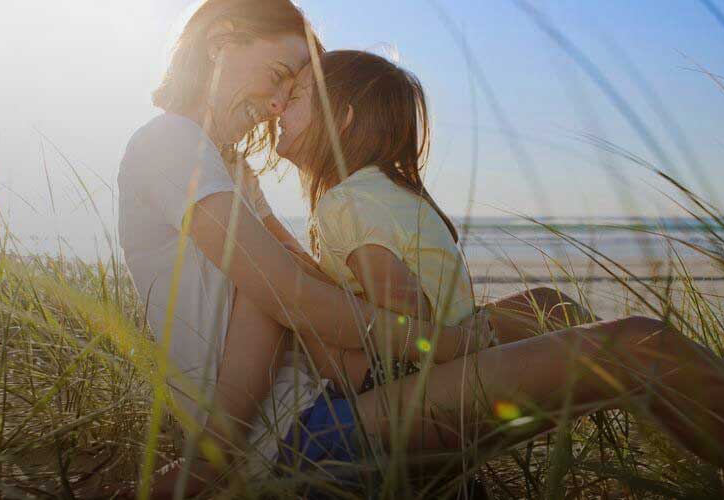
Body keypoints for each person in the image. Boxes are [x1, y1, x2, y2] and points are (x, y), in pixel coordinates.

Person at [264, 48, 724, 496]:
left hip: (415, 378)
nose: (276, 111)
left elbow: (408, 322)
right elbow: (412, 326)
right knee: (636, 343)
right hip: (388, 402)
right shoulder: (378, 191)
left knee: (554, 308)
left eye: (292, 100)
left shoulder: (347, 200)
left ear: (341, 120)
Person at [116, 1, 497, 497]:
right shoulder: (169, 141)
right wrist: (442, 344)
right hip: (293, 433)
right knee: (591, 354)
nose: (277, 105)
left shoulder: (232, 171)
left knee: (545, 318)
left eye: (290, 92)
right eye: (277, 76)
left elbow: (304, 273)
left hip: (328, 398)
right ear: (220, 41)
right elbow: (285, 295)